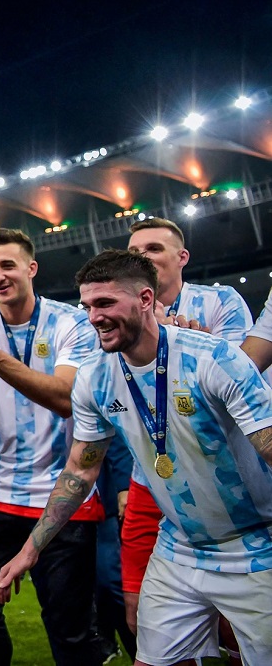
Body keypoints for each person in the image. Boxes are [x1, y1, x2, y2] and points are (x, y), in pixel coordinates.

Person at [0, 248, 272, 664]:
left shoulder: (212, 358)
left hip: (254, 548)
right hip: (179, 549)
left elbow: (268, 444)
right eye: (87, 305)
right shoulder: (94, 377)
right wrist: (30, 549)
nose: (93, 317)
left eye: (105, 303)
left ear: (145, 299)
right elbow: (80, 471)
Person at [0, 228, 106, 665]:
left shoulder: (71, 322)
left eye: (7, 265)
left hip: (61, 493)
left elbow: (66, 399)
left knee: (68, 624)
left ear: (31, 268)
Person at [123, 217, 255, 636]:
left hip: (222, 478)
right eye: (134, 252)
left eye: (153, 249)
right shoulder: (117, 316)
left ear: (182, 258)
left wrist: (181, 347)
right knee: (142, 610)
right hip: (150, 479)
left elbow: (237, 379)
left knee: (240, 624)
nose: (141, 257)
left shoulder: (220, 302)